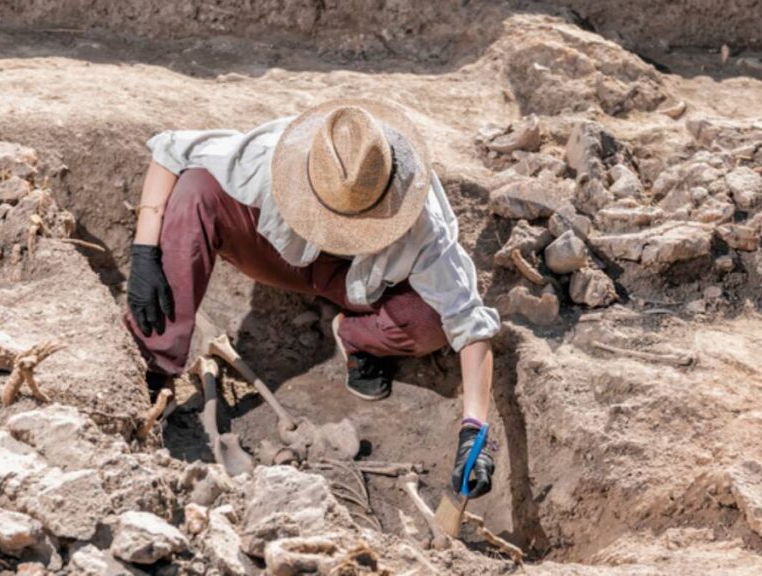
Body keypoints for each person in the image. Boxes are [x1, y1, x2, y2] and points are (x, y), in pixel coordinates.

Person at [126, 98, 498, 498]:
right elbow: (169, 151)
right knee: (197, 189)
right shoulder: (271, 157)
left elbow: (469, 322)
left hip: (363, 286)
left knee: (429, 321)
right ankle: (154, 373)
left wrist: (473, 434)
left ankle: (357, 337)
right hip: (277, 257)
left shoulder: (422, 222)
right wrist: (145, 251)